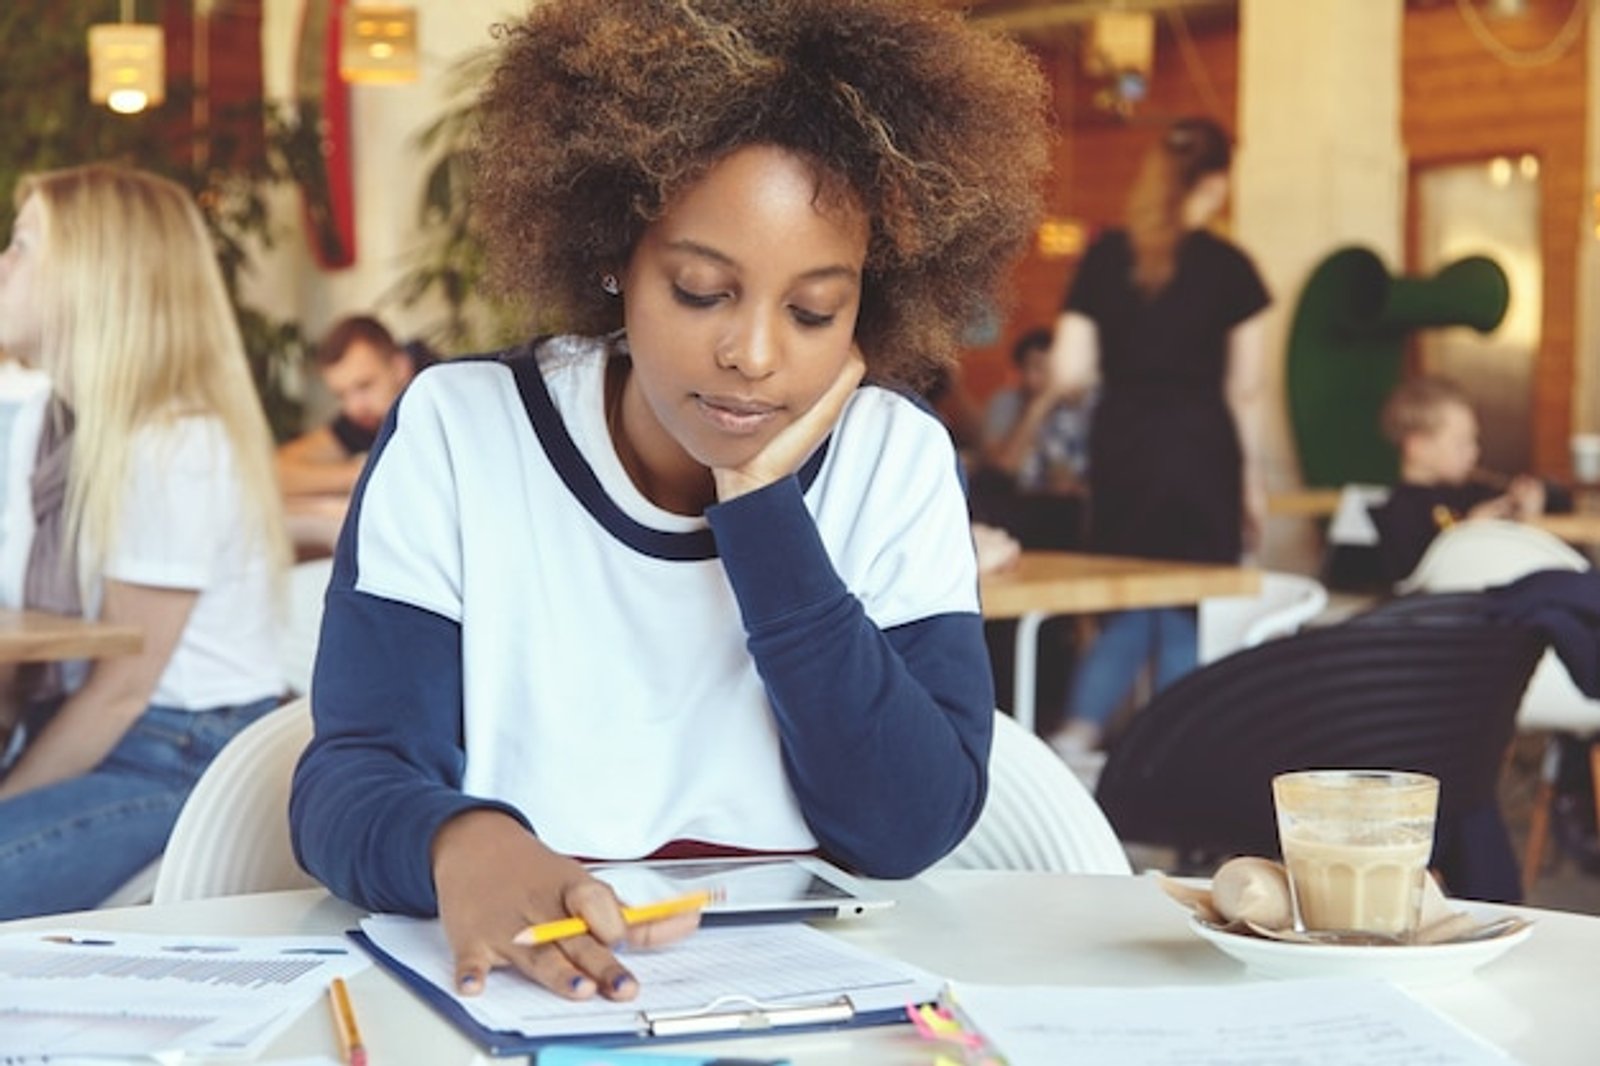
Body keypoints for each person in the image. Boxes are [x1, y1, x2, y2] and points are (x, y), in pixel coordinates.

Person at [290, 0, 1047, 1005]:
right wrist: (461, 841)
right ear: (614, 257)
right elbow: (347, 778)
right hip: (518, 998)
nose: (756, 354)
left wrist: (763, 509)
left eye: (816, 309)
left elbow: (905, 825)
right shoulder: (461, 433)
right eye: (700, 290)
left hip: (816, 1012)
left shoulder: (892, 459)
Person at [0, 165, 290, 919]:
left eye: (23, 245)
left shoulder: (174, 445)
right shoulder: (45, 423)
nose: (3, 262)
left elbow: (120, 690)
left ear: (96, 277)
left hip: (178, 751)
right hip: (78, 726)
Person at [1044, 116, 1271, 756]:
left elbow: (1068, 371)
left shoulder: (1107, 255)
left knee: (1132, 599)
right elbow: (1245, 390)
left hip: (1126, 450)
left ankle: (1078, 736)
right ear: (1219, 181)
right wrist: (1252, 485)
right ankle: (1174, 759)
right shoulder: (1231, 268)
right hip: (1202, 451)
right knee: (1188, 607)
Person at [1368, 375, 1546, 584]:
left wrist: (1527, 510)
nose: (1474, 452)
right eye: (1461, 443)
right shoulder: (1400, 510)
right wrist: (1470, 533)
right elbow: (1415, 581)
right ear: (1418, 447)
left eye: (1474, 441)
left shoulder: (1474, 492)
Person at [274, 315, 437, 497]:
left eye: (364, 385)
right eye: (341, 395)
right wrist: (359, 474)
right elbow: (275, 472)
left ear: (400, 367)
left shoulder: (439, 399)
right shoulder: (367, 415)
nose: (353, 407)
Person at [981, 326, 1092, 496]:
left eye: (1047, 368)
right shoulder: (1005, 403)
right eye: (1034, 367)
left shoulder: (1078, 409)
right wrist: (1039, 407)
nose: (1041, 377)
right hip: (1014, 504)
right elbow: (1002, 469)